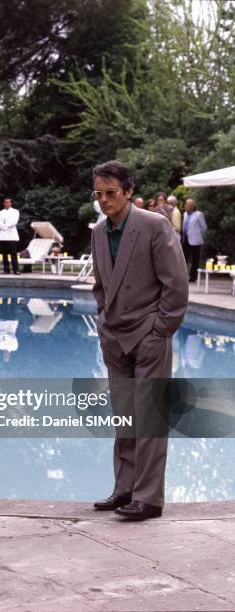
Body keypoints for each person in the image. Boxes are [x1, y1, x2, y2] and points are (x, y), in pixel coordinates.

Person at [90, 160, 188, 521]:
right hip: (115, 338)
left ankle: (149, 499)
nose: (104, 201)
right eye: (98, 194)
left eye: (111, 193)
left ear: (128, 192)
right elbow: (101, 287)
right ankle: (125, 490)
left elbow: (176, 286)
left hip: (149, 334)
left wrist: (159, 332)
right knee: (124, 419)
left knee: (149, 419)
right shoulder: (99, 233)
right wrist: (103, 325)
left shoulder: (154, 225)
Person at [182, 198, 207, 283]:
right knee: (184, 258)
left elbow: (204, 227)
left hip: (195, 240)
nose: (185, 206)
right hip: (186, 239)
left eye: (187, 204)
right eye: (186, 204)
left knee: (195, 259)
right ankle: (184, 276)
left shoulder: (198, 214)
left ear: (192, 206)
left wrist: (198, 235)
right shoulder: (185, 214)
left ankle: (193, 277)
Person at [0, 197, 20, 274]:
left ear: (11, 203)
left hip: (12, 236)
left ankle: (16, 270)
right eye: (5, 202)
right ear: (4, 203)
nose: (7, 203)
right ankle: (6, 270)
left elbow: (14, 222)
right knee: (4, 254)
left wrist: (6, 226)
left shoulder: (15, 211)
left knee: (13, 253)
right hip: (3, 236)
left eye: (8, 202)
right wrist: (3, 226)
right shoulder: (0, 213)